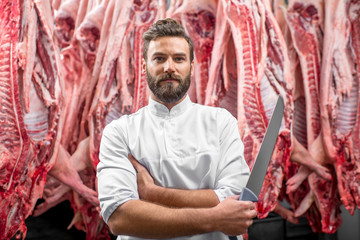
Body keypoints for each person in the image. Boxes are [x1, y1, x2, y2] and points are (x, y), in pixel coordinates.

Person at [97, 18, 257, 240]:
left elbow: (237, 200)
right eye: (159, 58)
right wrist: (214, 218)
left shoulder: (221, 122)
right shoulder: (119, 132)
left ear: (191, 66)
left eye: (179, 59)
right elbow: (120, 218)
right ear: (144, 66)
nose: (169, 67)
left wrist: (154, 194)